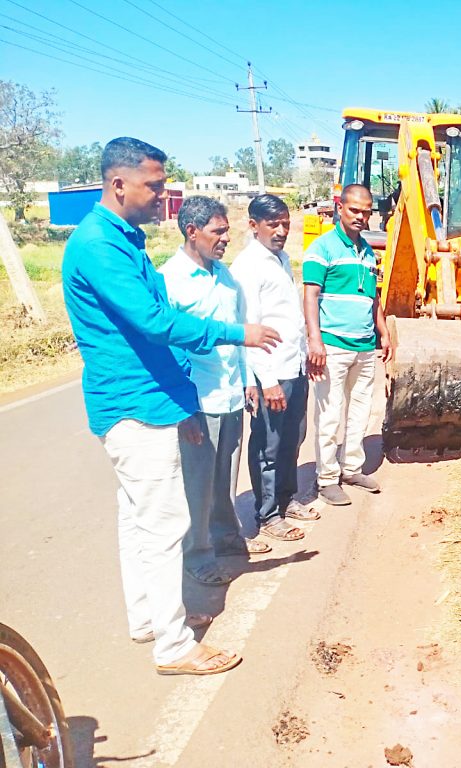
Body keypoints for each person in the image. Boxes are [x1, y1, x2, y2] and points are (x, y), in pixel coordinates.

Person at [62, 137, 280, 676]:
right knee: (164, 525)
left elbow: (155, 322)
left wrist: (182, 398)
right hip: (134, 404)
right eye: (154, 186)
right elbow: (158, 324)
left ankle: (149, 619)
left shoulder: (122, 240)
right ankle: (175, 646)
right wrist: (238, 333)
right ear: (119, 184)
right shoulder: (98, 246)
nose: (163, 196)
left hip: (147, 398)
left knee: (138, 521)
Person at [159, 196, 272, 591]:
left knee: (225, 475)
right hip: (197, 400)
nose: (226, 238)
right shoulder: (168, 280)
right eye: (217, 231)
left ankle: (226, 537)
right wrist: (184, 407)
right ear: (192, 232)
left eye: (226, 230)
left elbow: (238, 334)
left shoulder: (225, 277)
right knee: (196, 483)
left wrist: (247, 380)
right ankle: (198, 556)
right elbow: (166, 351)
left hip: (229, 396)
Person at [231, 194, 319, 540]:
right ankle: (266, 515)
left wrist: (303, 357)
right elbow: (248, 327)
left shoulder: (280, 259)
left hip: (292, 365)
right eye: (274, 224)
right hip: (271, 372)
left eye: (286, 223)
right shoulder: (247, 267)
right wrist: (266, 381)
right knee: (268, 445)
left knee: (293, 439)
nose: (282, 230)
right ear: (254, 226)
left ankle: (285, 499)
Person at [304, 184, 392, 505]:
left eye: (366, 212)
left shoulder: (368, 252)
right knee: (329, 414)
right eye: (355, 210)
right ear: (340, 207)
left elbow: (372, 297)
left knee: (360, 409)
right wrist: (314, 339)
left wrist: (383, 332)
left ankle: (351, 467)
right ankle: (327, 478)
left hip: (365, 346)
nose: (360, 217)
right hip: (332, 345)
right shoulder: (322, 248)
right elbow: (310, 295)